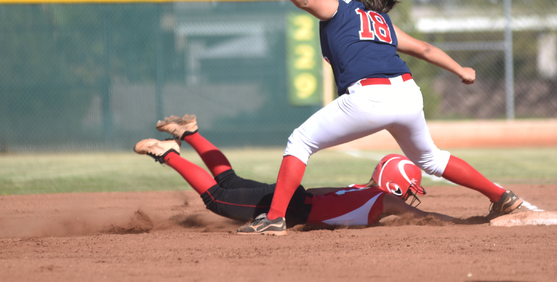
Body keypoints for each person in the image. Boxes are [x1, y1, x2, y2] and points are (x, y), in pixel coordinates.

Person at [233, 0, 522, 235]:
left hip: (370, 96)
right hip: (408, 93)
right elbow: (424, 49)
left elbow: (306, 0)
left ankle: (273, 219)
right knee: (432, 158)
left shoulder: (339, 7)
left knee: (301, 140)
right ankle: (501, 196)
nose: (326, 0)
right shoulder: (380, 20)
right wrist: (461, 69)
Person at [134, 115, 458, 235]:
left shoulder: (361, 188)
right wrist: (462, 223)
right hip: (290, 206)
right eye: (407, 188)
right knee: (217, 199)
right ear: (394, 185)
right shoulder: (384, 199)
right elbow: (425, 215)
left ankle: (190, 133)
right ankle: (169, 153)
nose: (408, 195)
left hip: (291, 195)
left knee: (229, 182)